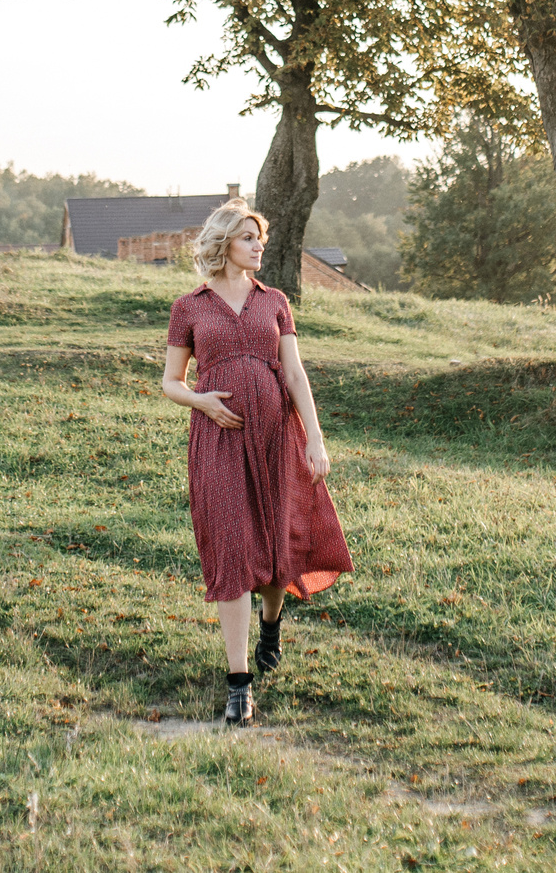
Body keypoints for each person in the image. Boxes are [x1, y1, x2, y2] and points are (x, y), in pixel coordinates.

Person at [159, 198, 353, 725]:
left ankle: (271, 624)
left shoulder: (276, 302)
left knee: (273, 544)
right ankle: (239, 683)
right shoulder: (190, 307)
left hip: (275, 437)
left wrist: (315, 438)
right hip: (218, 442)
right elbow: (171, 382)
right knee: (233, 549)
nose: (259, 245)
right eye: (249, 238)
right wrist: (202, 401)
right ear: (224, 244)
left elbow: (294, 374)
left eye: (260, 238)